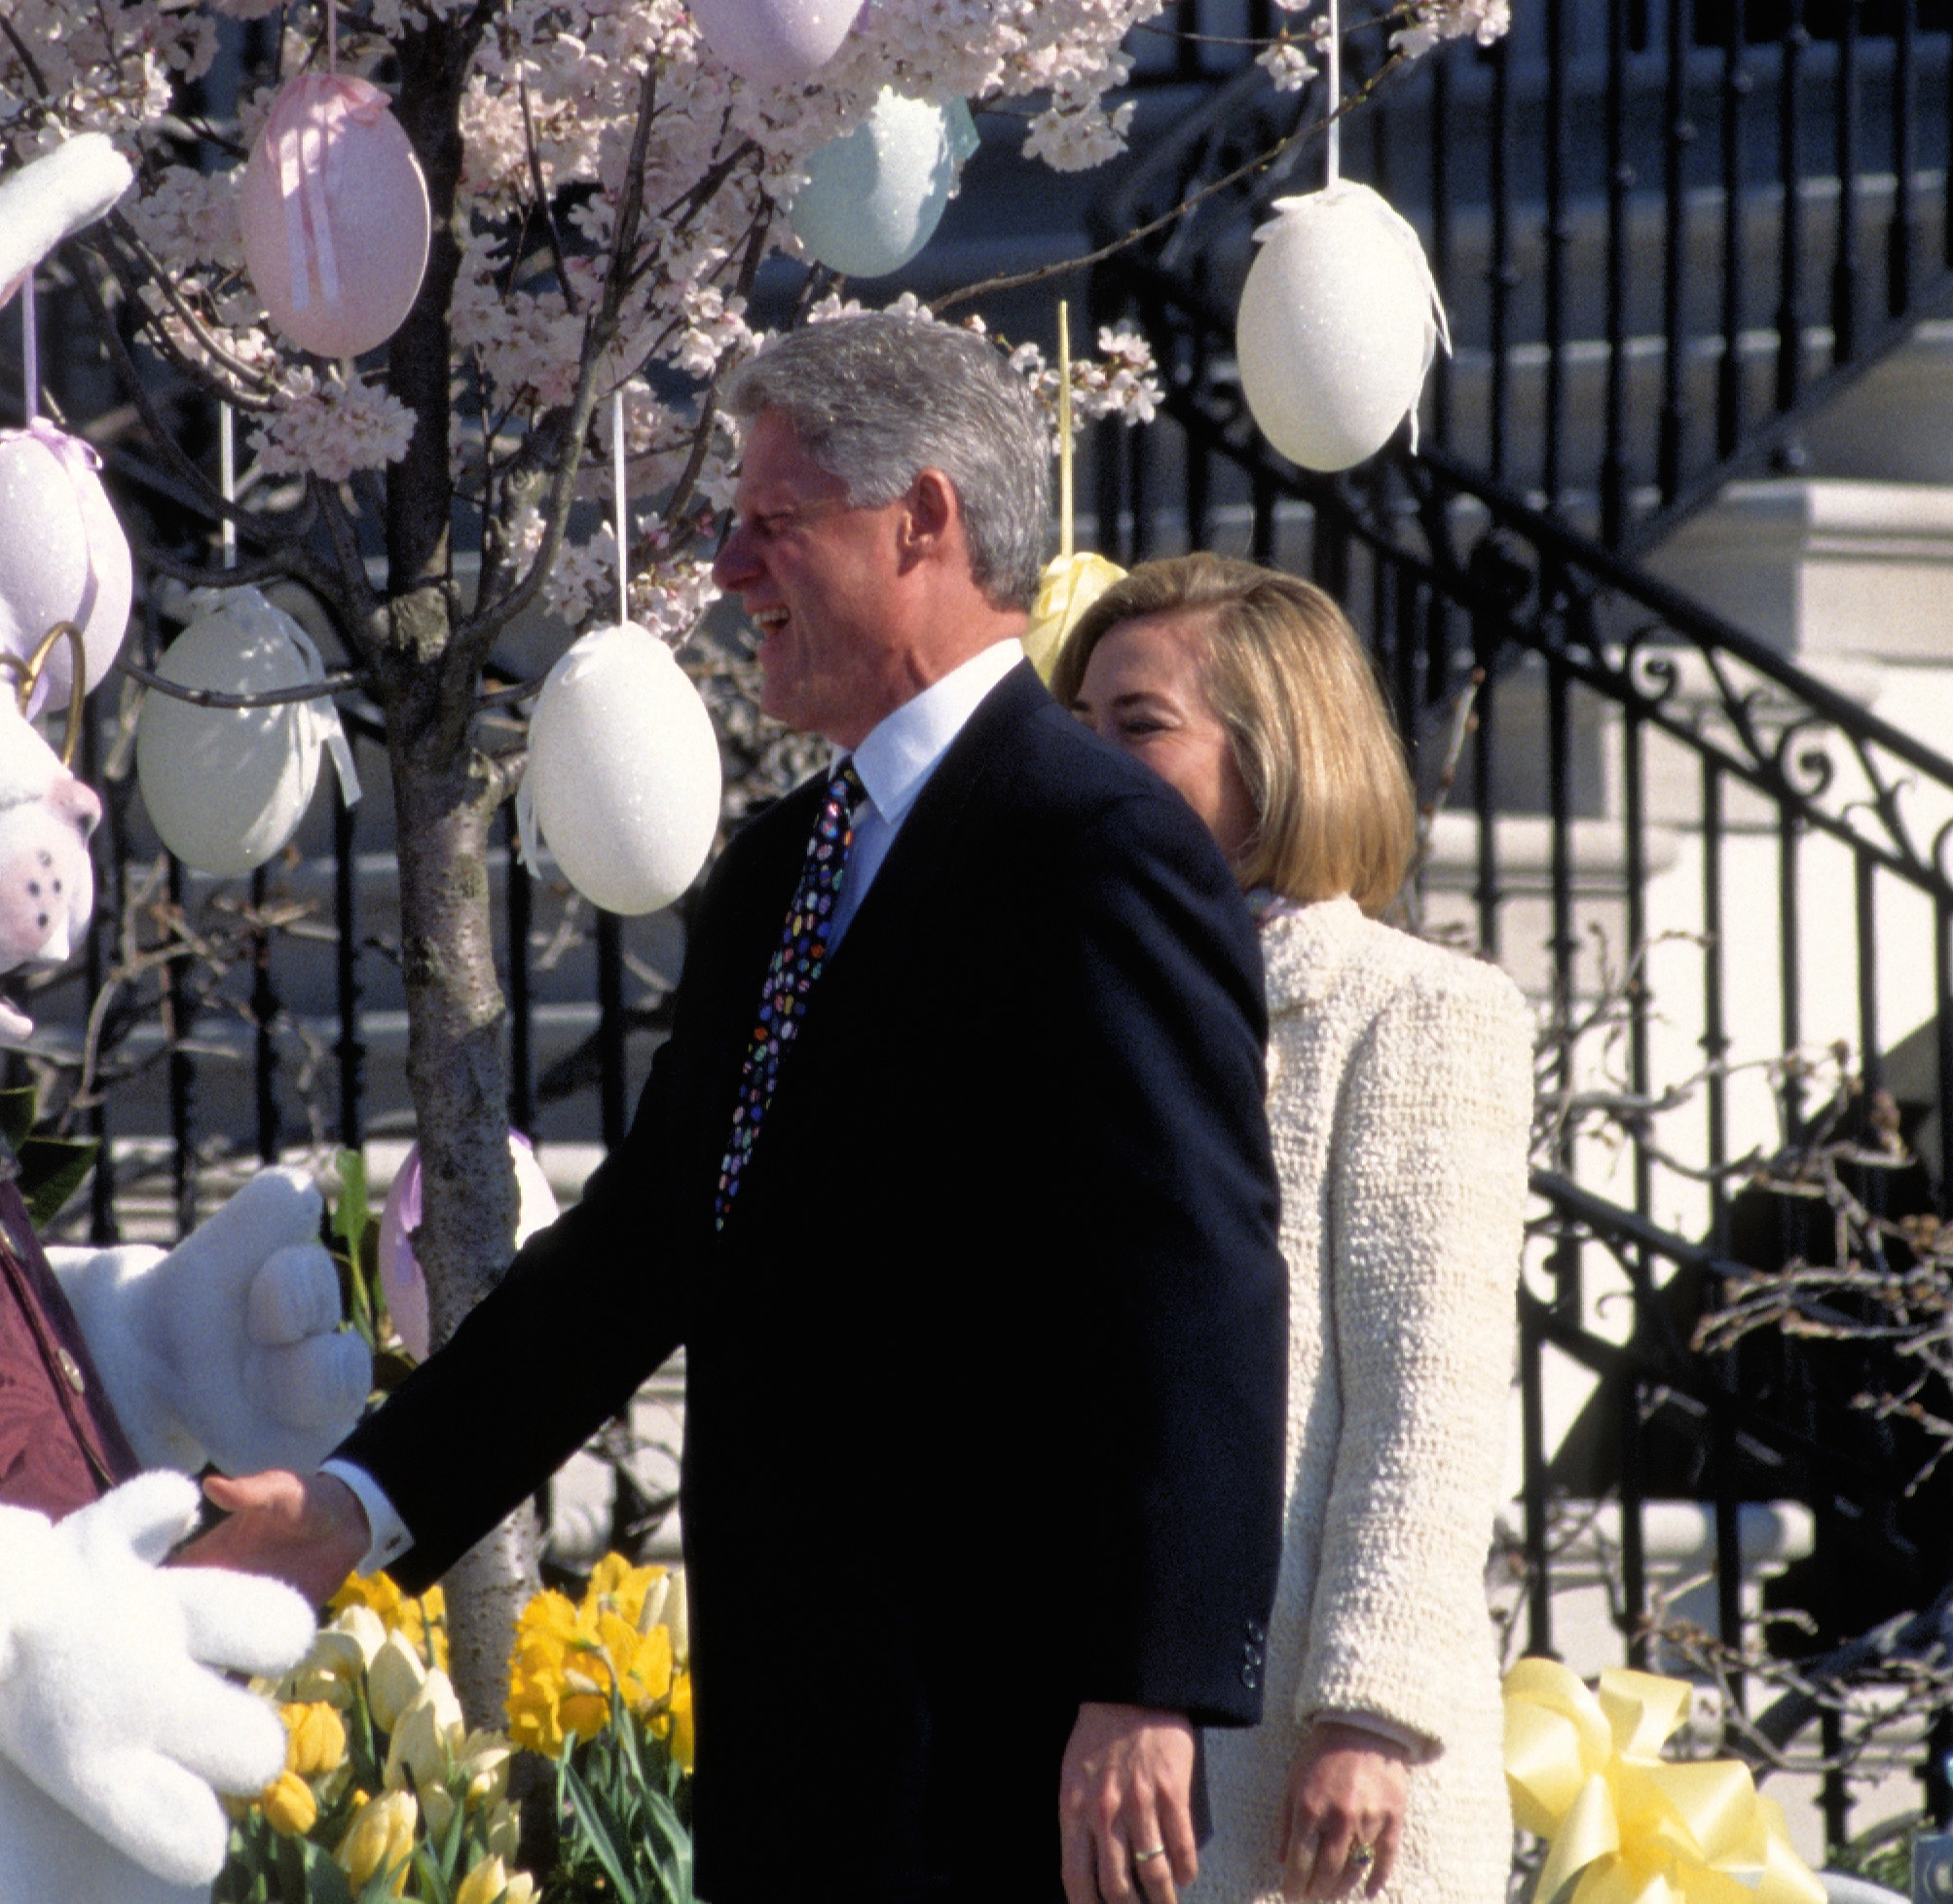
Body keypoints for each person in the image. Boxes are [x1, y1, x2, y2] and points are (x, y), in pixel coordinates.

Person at [186, 312, 1291, 1904]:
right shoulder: (787, 862)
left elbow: (1194, 1270)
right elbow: (647, 1247)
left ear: (921, 520)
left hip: (1000, 1721)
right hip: (802, 1716)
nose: (724, 570)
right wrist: (361, 1500)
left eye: (771, 523)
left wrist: (1148, 1679)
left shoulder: (1089, 838)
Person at [1055, 554, 1526, 1903]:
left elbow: (1425, 1401)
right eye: (1076, 725)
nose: (1089, 761)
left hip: (1317, 1786)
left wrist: (1369, 1717)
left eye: (1137, 725)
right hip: (1095, 1759)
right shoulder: (1066, 1014)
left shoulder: (1409, 1013)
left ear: (1276, 755)